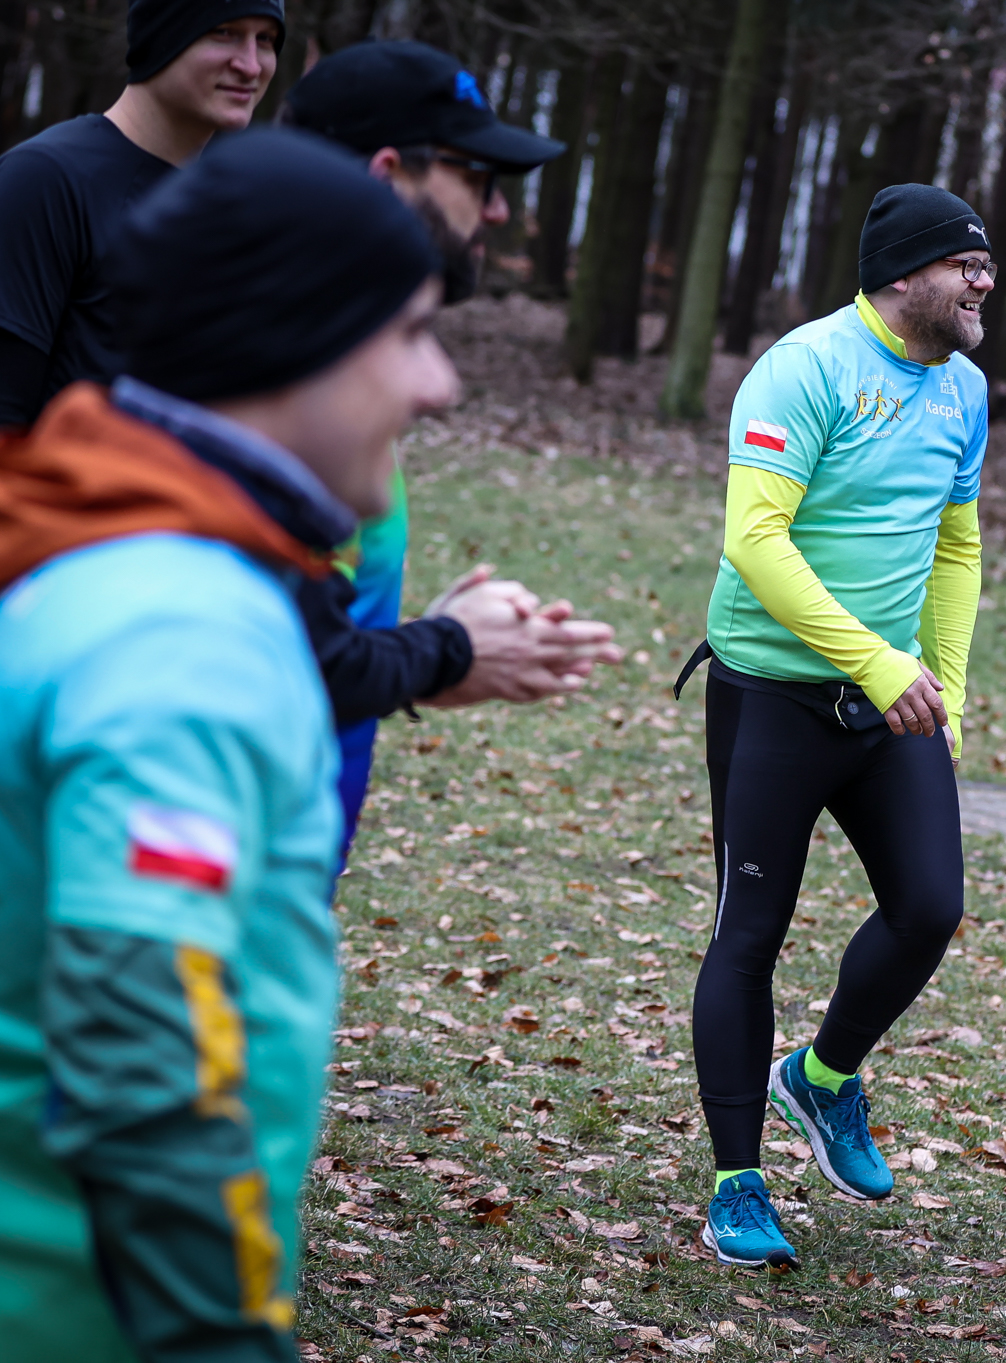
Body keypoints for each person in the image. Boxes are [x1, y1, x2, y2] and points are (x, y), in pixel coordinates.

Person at [0, 127, 450, 1361]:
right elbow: (142, 1048)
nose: (438, 385)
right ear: (293, 337)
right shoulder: (182, 635)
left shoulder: (116, 548)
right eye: (410, 333)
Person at [677, 183, 992, 1269]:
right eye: (964, 263)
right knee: (749, 935)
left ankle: (818, 1080)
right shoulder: (803, 369)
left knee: (929, 905)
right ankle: (736, 1181)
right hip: (773, 694)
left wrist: (945, 688)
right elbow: (755, 542)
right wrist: (877, 659)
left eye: (987, 263)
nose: (984, 281)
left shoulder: (964, 390)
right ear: (903, 274)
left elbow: (957, 545)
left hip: (890, 700)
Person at [281, 38, 615, 855]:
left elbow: (307, 642)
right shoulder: (277, 389)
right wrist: (443, 650)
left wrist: (429, 650)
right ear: (387, 173)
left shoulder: (345, 377)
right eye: (477, 178)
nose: (498, 211)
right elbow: (231, 656)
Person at [0, 0, 284, 429]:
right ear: (163, 36)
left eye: (265, 39)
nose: (250, 65)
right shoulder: (46, 179)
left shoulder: (236, 202)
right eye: (224, 32)